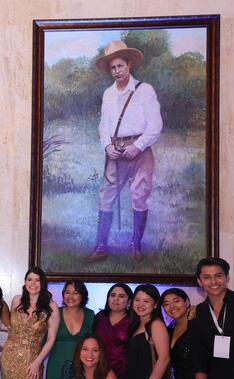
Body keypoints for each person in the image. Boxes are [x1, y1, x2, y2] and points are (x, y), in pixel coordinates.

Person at [86, 39, 163, 263]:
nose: (117, 71)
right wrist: (107, 146)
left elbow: (155, 125)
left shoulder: (144, 90)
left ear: (129, 65)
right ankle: (101, 247)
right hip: (115, 152)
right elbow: (104, 125)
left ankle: (135, 247)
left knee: (140, 196)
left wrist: (137, 146)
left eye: (120, 65)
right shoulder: (108, 94)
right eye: (112, 67)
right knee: (106, 196)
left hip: (140, 151)